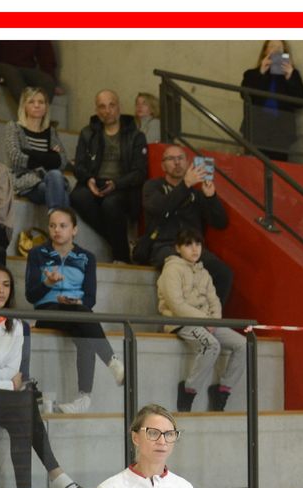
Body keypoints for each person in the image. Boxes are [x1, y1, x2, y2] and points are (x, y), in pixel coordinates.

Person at [0, 263, 90, 488]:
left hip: (2, 397)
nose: (1, 290)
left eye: (6, 285)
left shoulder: (18, 325)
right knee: (24, 402)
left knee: (23, 405)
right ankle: (55, 479)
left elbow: (15, 375)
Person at [25, 207, 125, 413]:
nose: (57, 230)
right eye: (52, 226)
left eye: (63, 226)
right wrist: (48, 284)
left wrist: (76, 301)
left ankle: (83, 399)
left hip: (77, 311)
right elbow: (31, 295)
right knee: (85, 319)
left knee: (85, 333)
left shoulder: (87, 257)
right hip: (47, 311)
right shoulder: (37, 254)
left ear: (74, 230)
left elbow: (90, 298)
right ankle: (112, 362)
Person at [157, 228, 245, 412]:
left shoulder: (203, 272)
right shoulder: (171, 269)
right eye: (188, 244)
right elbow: (177, 305)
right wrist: (206, 320)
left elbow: (215, 301)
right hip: (181, 322)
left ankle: (222, 391)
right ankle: (188, 390)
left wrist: (214, 321)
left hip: (207, 323)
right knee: (211, 345)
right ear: (178, 248)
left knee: (244, 345)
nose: (194, 249)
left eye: (198, 244)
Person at [142, 145, 233, 303]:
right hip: (164, 246)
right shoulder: (152, 186)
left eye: (181, 158)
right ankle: (187, 315)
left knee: (224, 273)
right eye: (171, 159)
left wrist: (211, 197)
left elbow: (220, 223)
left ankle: (210, 316)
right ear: (163, 166)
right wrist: (185, 184)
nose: (177, 162)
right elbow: (161, 208)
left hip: (193, 247)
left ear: (187, 162)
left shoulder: (196, 193)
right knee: (181, 267)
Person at [70, 90, 148, 263]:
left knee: (110, 204)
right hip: (95, 181)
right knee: (77, 196)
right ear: (97, 111)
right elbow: (79, 166)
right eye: (102, 106)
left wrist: (116, 184)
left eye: (111, 105)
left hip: (123, 186)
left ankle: (122, 257)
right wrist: (88, 179)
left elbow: (139, 172)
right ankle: (121, 243)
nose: (107, 111)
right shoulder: (87, 133)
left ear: (119, 107)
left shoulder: (136, 136)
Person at [3, 87, 70, 213]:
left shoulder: (50, 131)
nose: (37, 105)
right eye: (31, 102)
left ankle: (55, 219)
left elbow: (62, 161)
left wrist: (30, 154)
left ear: (46, 107)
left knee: (55, 176)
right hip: (24, 181)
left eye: (41, 102)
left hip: (48, 179)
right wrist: (50, 157)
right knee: (60, 190)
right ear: (24, 106)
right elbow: (16, 157)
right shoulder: (14, 127)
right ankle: (61, 222)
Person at [240, 40, 303, 161]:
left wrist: (290, 77)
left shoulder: (292, 74)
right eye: (272, 46)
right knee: (254, 166)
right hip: (256, 130)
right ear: (265, 51)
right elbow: (245, 95)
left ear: (285, 52)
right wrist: (261, 72)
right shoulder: (251, 74)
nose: (276, 49)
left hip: (281, 131)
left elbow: (301, 102)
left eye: (279, 47)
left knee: (278, 166)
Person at [0, 40, 61, 106]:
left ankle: (39, 116)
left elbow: (46, 56)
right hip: (1, 65)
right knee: (11, 73)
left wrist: (53, 82)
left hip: (25, 68)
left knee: (47, 81)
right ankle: (29, 112)